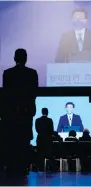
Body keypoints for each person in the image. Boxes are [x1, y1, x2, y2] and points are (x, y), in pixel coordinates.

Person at [2, 48, 38, 178]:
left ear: (14, 58)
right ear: (26, 58)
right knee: (24, 140)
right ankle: (24, 167)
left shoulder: (7, 73)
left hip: (11, 114)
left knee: (11, 140)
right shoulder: (32, 73)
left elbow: (6, 94)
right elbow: (34, 93)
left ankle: (11, 167)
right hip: (26, 113)